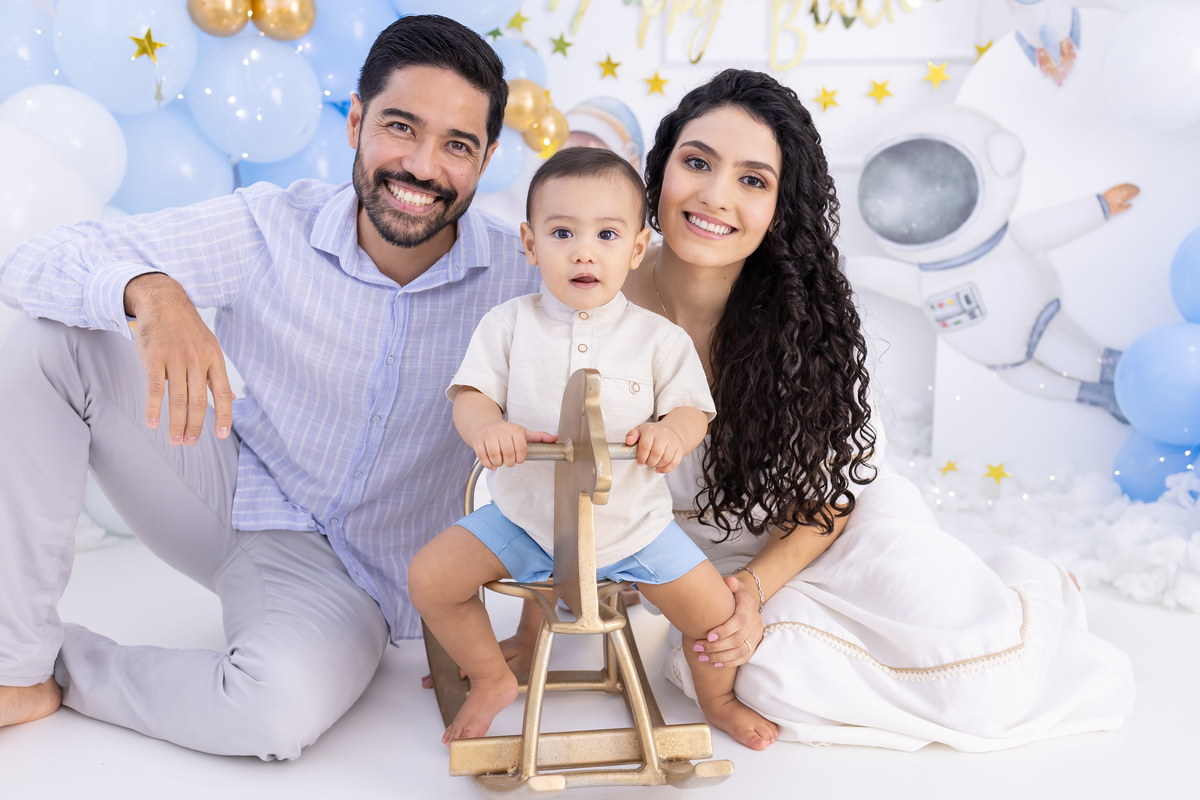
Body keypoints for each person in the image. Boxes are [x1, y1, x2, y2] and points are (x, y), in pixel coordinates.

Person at [499, 69, 1136, 752]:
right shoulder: (585, 295)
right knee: (774, 680)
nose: (715, 195)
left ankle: (1030, 593)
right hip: (697, 581)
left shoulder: (804, 316)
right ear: (657, 173)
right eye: (697, 162)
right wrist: (532, 633)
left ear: (780, 206)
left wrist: (752, 586)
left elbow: (836, 495)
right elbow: (556, 479)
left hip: (829, 533)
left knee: (986, 677)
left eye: (752, 180)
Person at [0, 16, 542, 759]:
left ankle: (66, 667)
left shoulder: (524, 279)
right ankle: (13, 667)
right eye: (400, 127)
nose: (421, 166)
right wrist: (149, 290)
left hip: (355, 580)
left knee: (270, 713)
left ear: (485, 161)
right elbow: (32, 261)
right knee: (41, 339)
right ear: (354, 122)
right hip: (226, 494)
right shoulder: (269, 225)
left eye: (457, 145)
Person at [410, 147, 780, 749]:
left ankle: (718, 699)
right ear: (530, 245)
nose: (584, 251)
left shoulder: (658, 338)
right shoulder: (508, 325)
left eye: (607, 234)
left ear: (636, 249)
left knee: (715, 616)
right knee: (430, 578)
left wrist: (671, 433)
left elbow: (693, 410)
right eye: (562, 233)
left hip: (635, 526)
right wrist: (487, 428)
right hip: (526, 519)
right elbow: (470, 396)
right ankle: (490, 677)